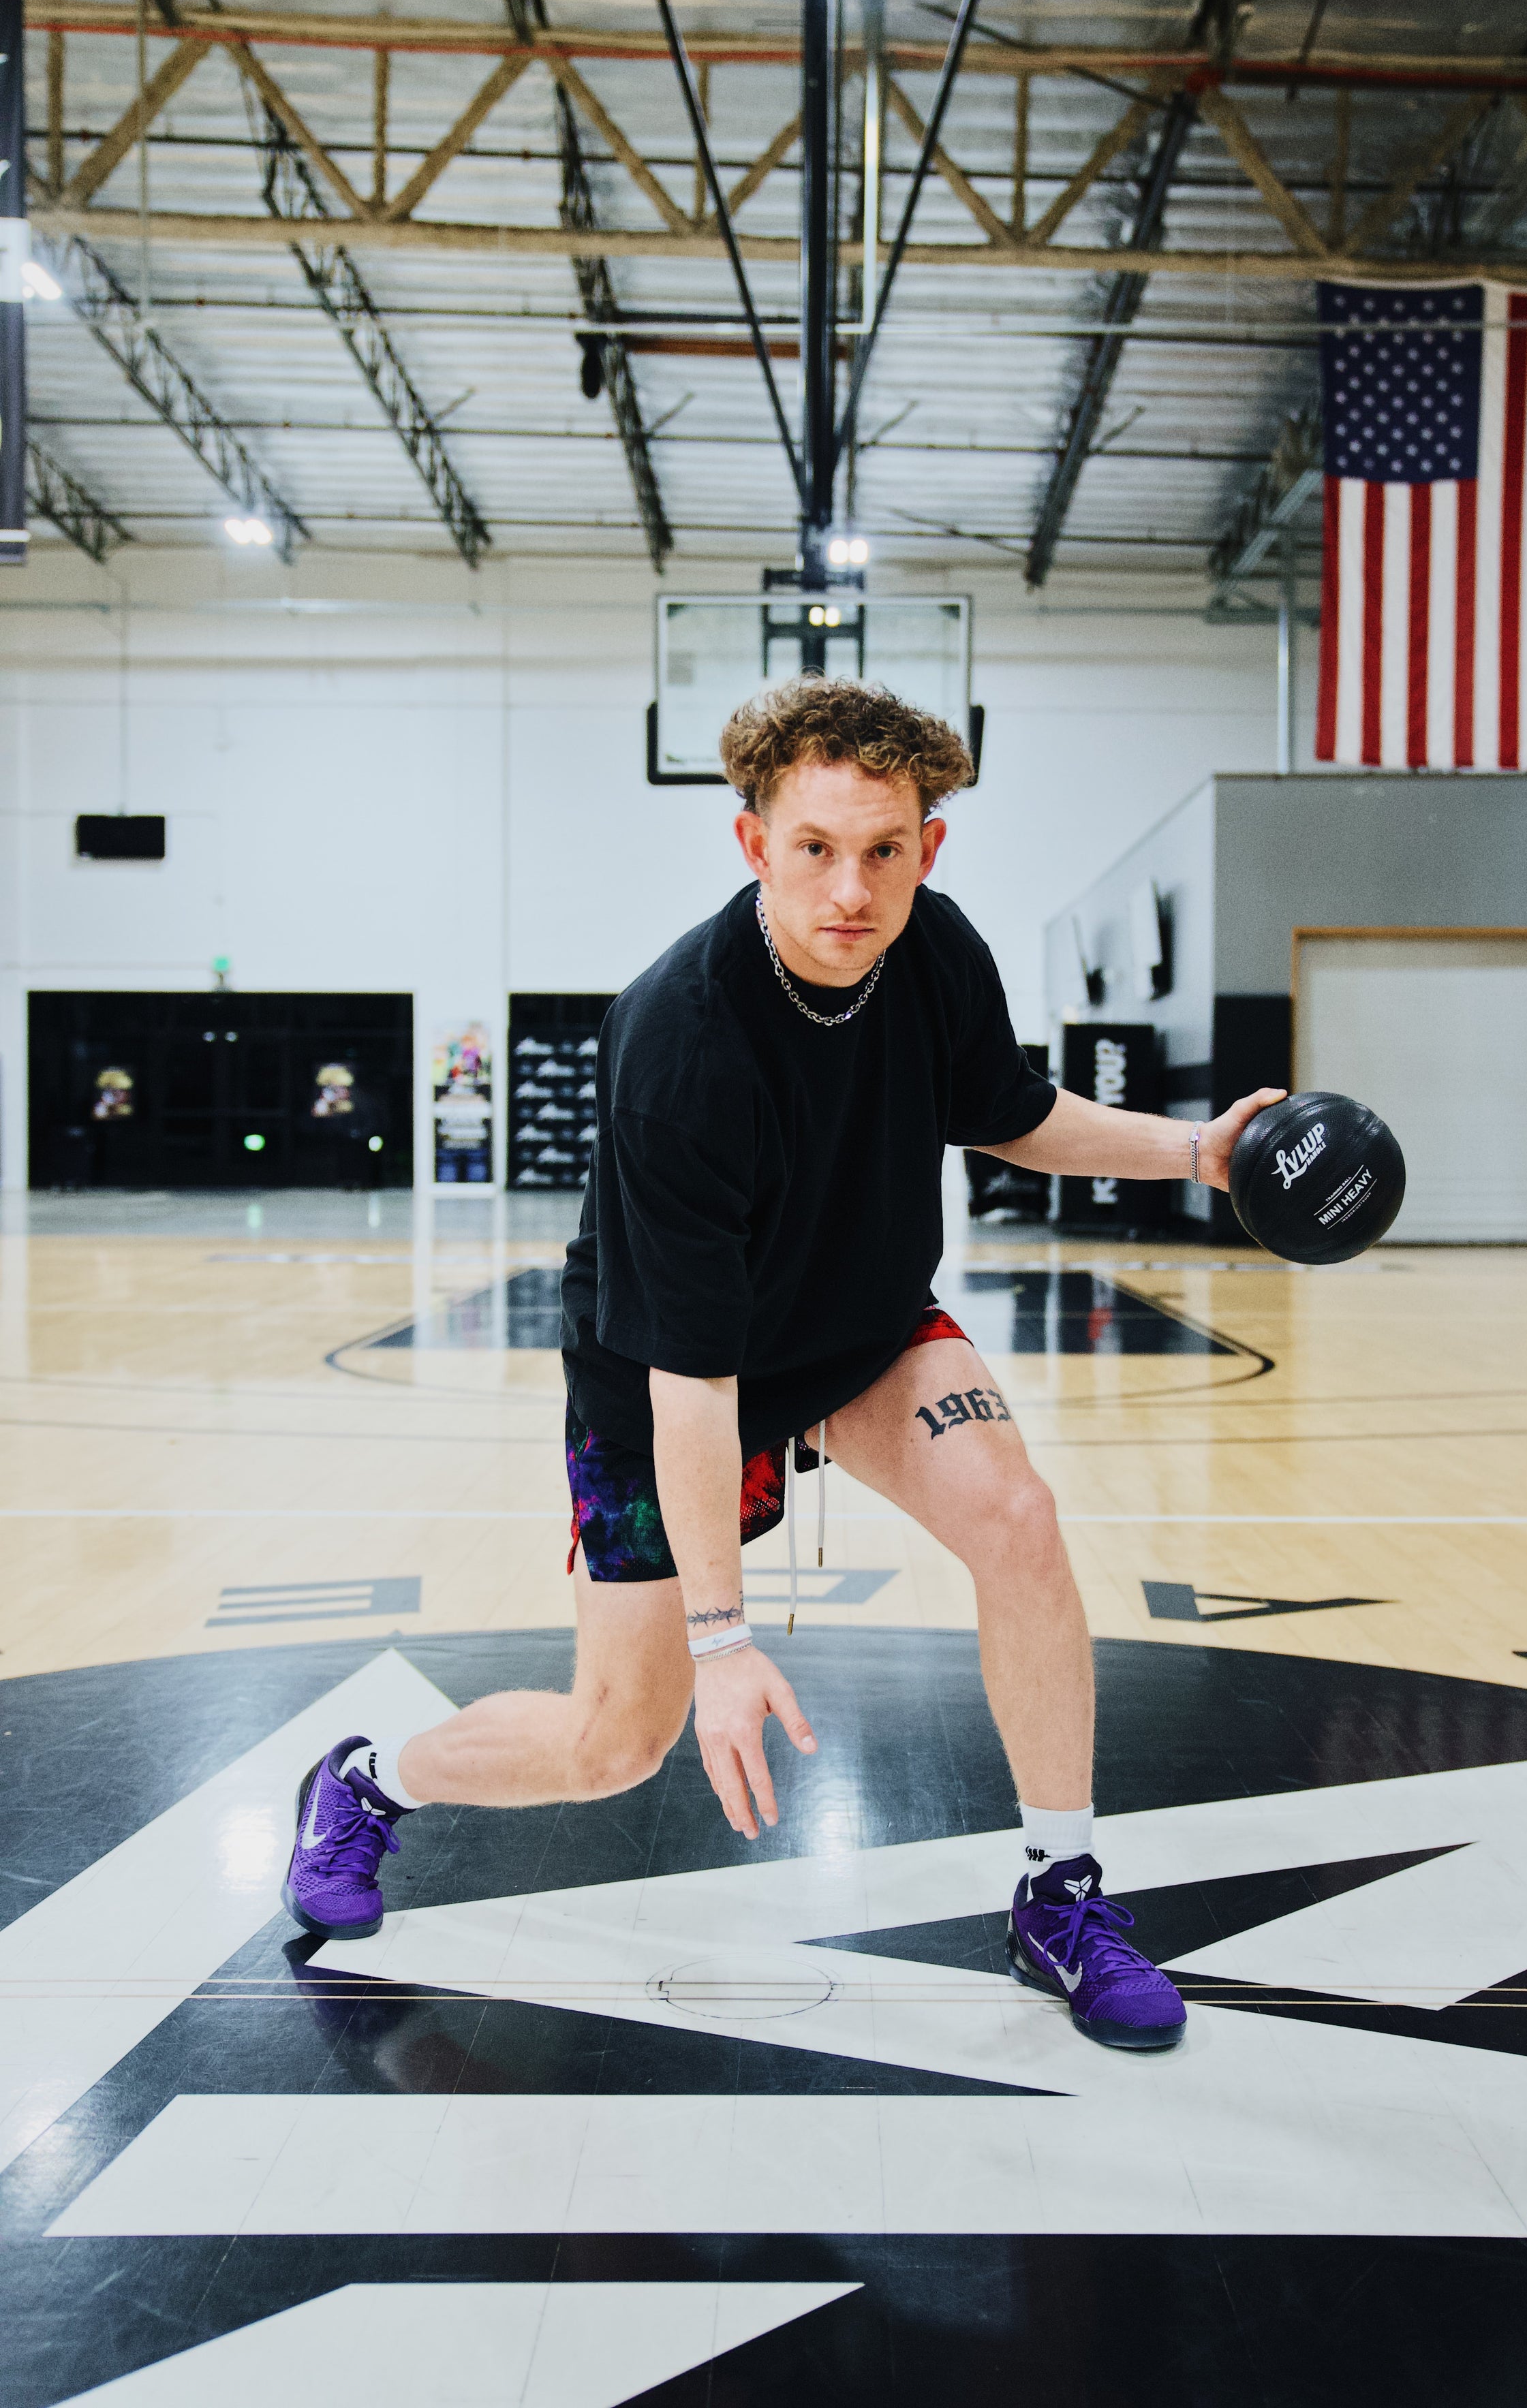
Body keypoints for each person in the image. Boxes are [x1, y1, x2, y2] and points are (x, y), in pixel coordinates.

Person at [283, 677, 1283, 2052]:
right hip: (670, 1379)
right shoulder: (676, 1043)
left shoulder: (936, 950)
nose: (851, 888)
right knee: (613, 1744)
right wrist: (726, 1638)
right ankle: (368, 1780)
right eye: (815, 847)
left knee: (1020, 1517)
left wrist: (1191, 1150)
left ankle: (1060, 1892)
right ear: (753, 842)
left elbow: (1012, 1114)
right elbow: (693, 1386)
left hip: (862, 1330)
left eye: (884, 849)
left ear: (929, 847)